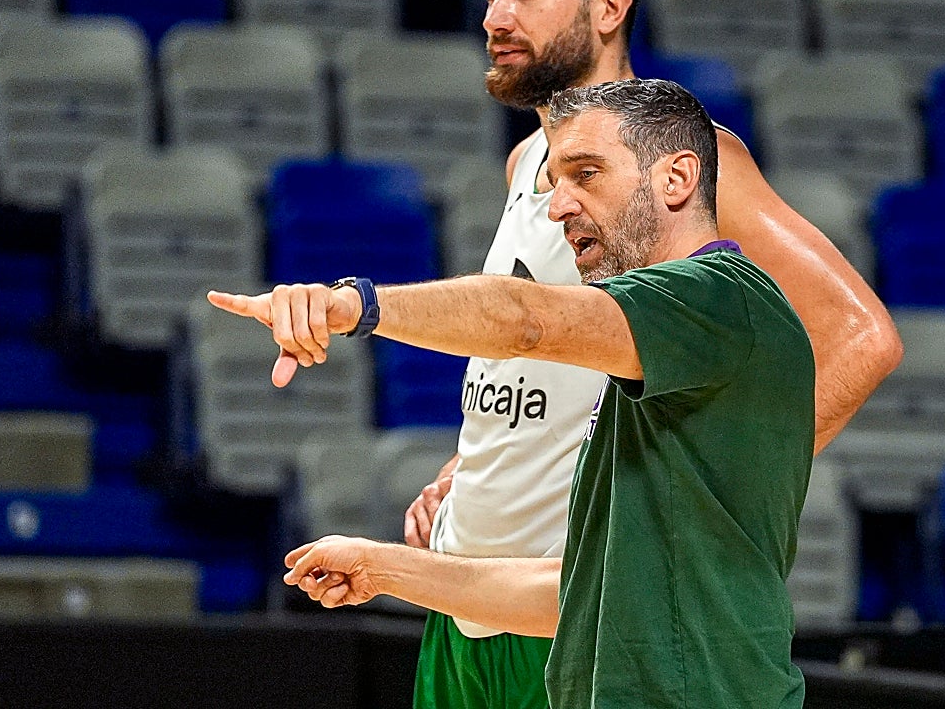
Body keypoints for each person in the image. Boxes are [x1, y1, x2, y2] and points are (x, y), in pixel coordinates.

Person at [395, 0, 900, 709]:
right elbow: (549, 359)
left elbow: (860, 336)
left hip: (574, 613)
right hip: (465, 603)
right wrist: (477, 465)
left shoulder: (689, 163)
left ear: (609, 7)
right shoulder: (527, 162)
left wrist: (727, 482)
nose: (496, 17)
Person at [209, 77, 817, 708]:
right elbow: (573, 595)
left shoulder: (719, 298)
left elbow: (524, 320)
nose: (557, 208)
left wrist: (353, 305)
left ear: (677, 178)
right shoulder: (658, 367)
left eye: (587, 175)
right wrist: (381, 567)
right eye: (556, 181)